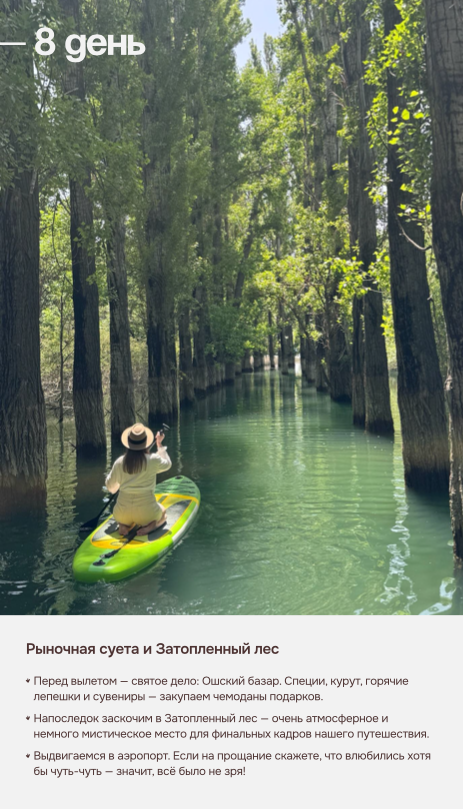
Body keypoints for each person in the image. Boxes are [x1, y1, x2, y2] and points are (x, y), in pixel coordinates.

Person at [105, 423, 172, 537]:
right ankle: (152, 525)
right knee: (163, 512)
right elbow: (168, 464)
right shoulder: (153, 460)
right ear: (146, 443)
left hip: (122, 514)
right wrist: (159, 444)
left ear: (129, 443)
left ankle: (122, 525)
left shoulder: (119, 462)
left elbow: (110, 487)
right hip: (146, 514)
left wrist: (117, 484)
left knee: (123, 517)